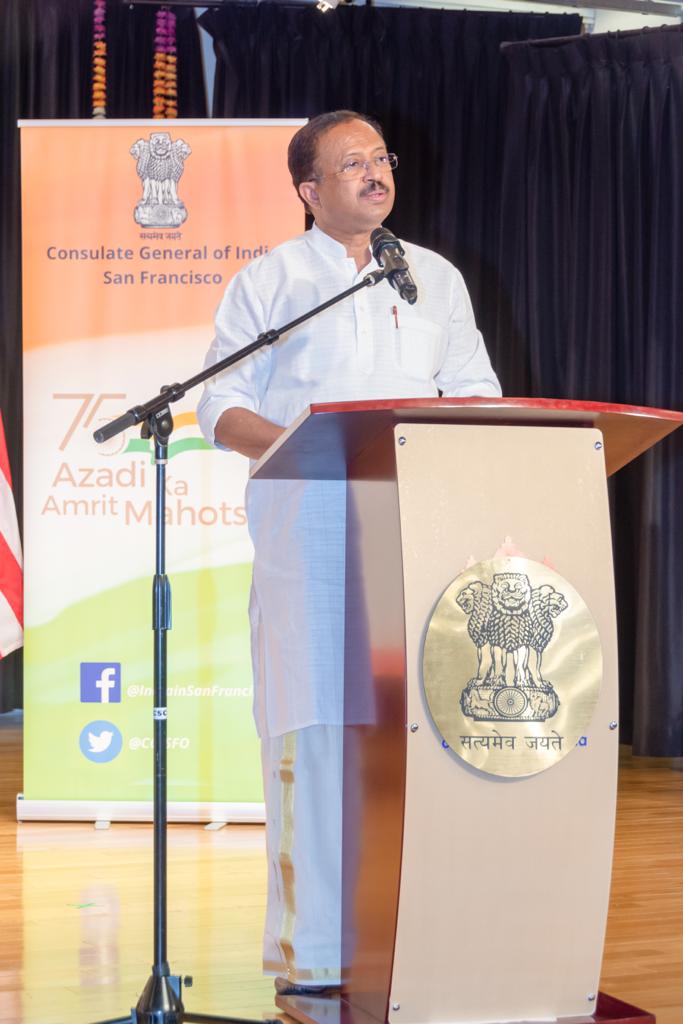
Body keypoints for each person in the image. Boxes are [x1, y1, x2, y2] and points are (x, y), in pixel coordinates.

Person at [197, 110, 501, 996]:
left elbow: (475, 391)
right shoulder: (272, 281)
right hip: (311, 534)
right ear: (308, 189)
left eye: (380, 158)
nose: (375, 173)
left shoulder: (433, 277)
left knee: (425, 727)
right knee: (318, 728)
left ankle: (422, 937)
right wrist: (309, 445)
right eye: (352, 163)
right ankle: (319, 954)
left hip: (420, 527)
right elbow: (219, 405)